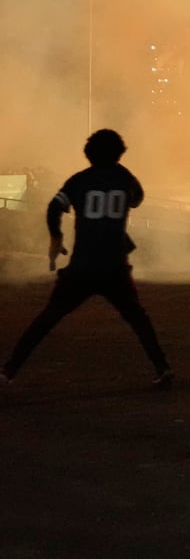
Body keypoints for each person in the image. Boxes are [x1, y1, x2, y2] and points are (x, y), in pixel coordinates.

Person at [0, 129, 173, 388]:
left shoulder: (80, 181)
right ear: (119, 153)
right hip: (115, 267)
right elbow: (137, 199)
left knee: (47, 318)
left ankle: (9, 371)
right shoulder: (125, 178)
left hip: (83, 267)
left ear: (89, 154)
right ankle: (162, 367)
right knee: (139, 320)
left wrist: (56, 238)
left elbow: (53, 207)